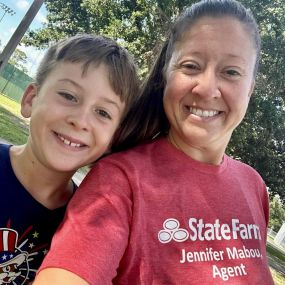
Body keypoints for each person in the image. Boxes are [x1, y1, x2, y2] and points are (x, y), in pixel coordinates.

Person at [33, 0, 274, 284]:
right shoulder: (120, 181)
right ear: (166, 74)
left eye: (231, 71)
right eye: (191, 66)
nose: (207, 88)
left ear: (251, 87)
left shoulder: (254, 186)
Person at [0, 34, 138, 284]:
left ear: (113, 139)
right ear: (31, 99)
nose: (81, 120)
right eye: (69, 96)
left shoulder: (86, 226)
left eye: (103, 112)